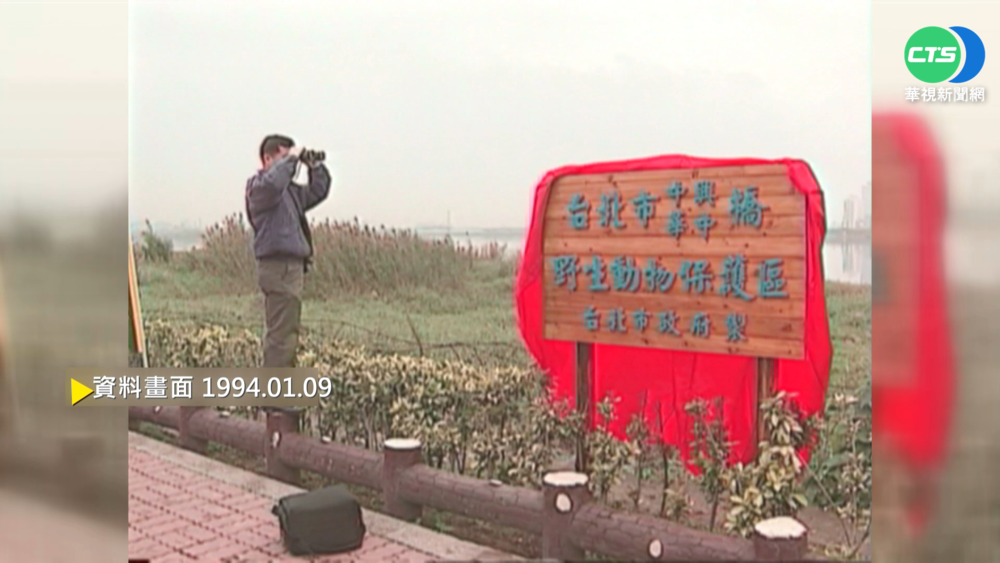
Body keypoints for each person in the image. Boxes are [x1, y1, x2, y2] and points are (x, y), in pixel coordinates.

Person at [245, 134, 331, 367]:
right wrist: (293, 159)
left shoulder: (289, 193)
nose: (289, 164)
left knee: (287, 335)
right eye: (283, 158)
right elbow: (273, 183)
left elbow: (319, 191)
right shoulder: (259, 188)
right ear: (267, 158)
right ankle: (276, 399)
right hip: (277, 267)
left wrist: (314, 164)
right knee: (281, 337)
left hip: (290, 269)